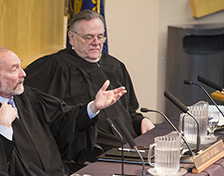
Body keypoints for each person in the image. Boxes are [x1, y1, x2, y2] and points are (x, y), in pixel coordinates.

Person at [0, 47, 126, 176]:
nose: (23, 74)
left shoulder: (29, 97)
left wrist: (93, 107)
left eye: (20, 67)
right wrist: (3, 127)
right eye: (15, 69)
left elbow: (64, 118)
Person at [24, 10, 155, 161]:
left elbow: (130, 111)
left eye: (100, 36)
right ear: (71, 38)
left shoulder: (115, 66)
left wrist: (141, 121)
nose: (96, 42)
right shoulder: (55, 67)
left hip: (129, 146)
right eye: (89, 37)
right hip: (89, 152)